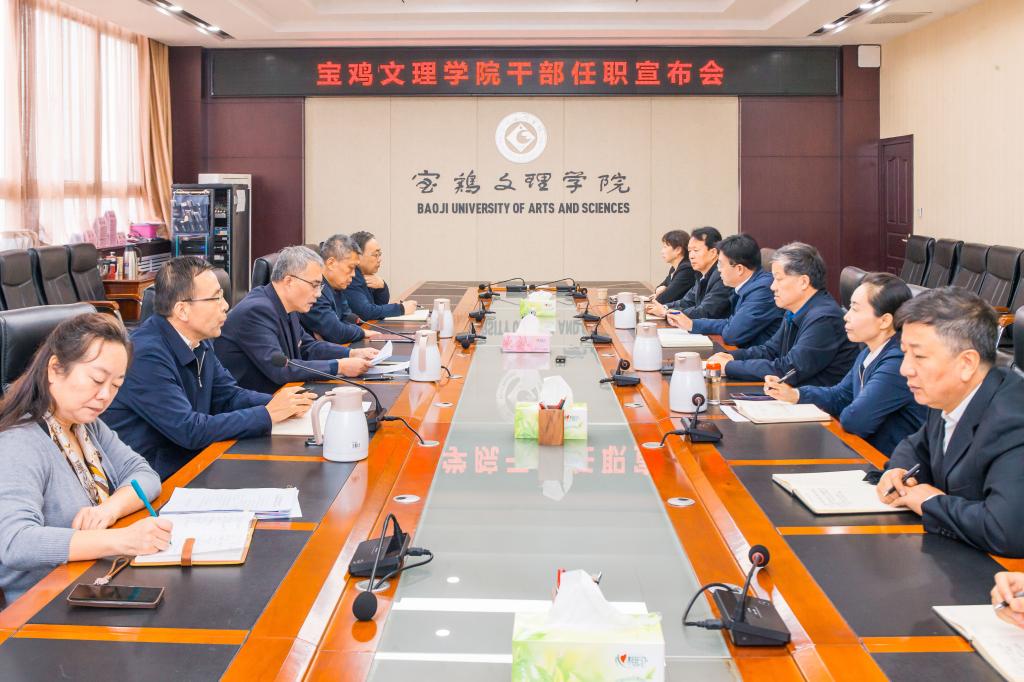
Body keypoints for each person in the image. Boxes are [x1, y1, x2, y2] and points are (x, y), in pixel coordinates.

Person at [0, 314, 171, 604]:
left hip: (93, 580)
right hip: (46, 604)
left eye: (116, 385)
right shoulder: (18, 443)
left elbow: (144, 474)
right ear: (55, 369)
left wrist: (110, 509)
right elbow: (15, 542)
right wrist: (122, 539)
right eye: (97, 380)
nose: (105, 396)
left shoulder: (84, 425)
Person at [103, 257, 316, 480]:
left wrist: (283, 403)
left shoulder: (199, 341)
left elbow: (228, 396)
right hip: (154, 478)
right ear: (182, 310)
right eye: (216, 298)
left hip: (193, 461)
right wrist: (267, 414)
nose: (226, 306)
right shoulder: (145, 355)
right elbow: (189, 430)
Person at [876, 287, 1024, 557]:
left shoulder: (1013, 422)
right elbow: (916, 446)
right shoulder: (947, 395)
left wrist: (931, 503)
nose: (905, 369)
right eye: (904, 353)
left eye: (919, 356)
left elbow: (1006, 530)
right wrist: (898, 471)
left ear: (966, 363)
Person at [764, 273, 926, 455]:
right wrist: (795, 394)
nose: (846, 317)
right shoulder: (869, 351)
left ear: (885, 321)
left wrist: (849, 407)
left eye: (855, 309)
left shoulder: (897, 362)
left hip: (887, 462)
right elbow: (840, 395)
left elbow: (855, 420)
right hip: (864, 452)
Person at [215, 246, 378, 393]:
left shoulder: (287, 305)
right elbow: (281, 369)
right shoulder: (256, 311)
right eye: (314, 285)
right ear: (289, 281)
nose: (318, 294)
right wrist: (339, 366)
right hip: (255, 403)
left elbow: (308, 347)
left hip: (282, 394)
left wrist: (351, 353)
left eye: (320, 286)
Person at [709, 241, 859, 386]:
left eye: (778, 279)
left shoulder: (824, 319)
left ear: (803, 282)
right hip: (792, 393)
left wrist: (729, 366)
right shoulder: (794, 309)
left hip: (812, 399)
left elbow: (787, 370)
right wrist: (731, 356)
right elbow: (771, 351)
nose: (772, 286)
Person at [666, 233, 783, 348]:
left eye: (721, 265)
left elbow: (733, 334)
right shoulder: (747, 285)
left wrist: (693, 324)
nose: (719, 270)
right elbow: (730, 323)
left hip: (761, 356)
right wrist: (692, 324)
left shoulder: (762, 290)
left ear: (739, 269)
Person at [300, 234, 379, 344]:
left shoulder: (336, 286)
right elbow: (336, 333)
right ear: (331, 263)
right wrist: (362, 332)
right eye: (351, 268)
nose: (353, 274)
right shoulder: (315, 290)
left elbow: (346, 318)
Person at [646, 227, 732, 320]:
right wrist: (664, 307)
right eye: (690, 251)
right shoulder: (701, 274)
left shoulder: (722, 275)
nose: (691, 256)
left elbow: (705, 312)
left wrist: (667, 312)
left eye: (696, 250)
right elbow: (686, 302)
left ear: (713, 252)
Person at [344, 231, 417, 321]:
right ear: (358, 256)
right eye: (375, 255)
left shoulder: (364, 274)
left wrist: (382, 287)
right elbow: (366, 312)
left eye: (380, 254)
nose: (379, 259)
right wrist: (401, 309)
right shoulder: (350, 277)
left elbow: (379, 305)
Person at [653, 229, 696, 305]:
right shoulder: (674, 267)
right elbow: (660, 287)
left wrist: (661, 291)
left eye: (665, 247)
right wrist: (660, 290)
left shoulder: (687, 269)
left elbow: (663, 299)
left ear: (678, 250)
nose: (662, 251)